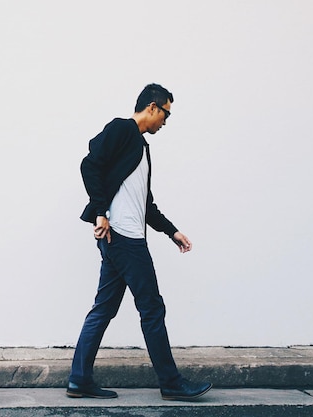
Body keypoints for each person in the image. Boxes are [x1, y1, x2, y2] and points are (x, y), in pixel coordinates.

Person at [66, 83, 212, 401]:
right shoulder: (122, 129)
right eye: (166, 114)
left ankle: (79, 380)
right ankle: (171, 382)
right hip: (124, 238)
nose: (165, 121)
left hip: (123, 236)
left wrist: (172, 231)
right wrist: (101, 212)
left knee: (103, 309)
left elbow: (145, 204)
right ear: (152, 107)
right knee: (152, 308)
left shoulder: (142, 148)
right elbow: (89, 164)